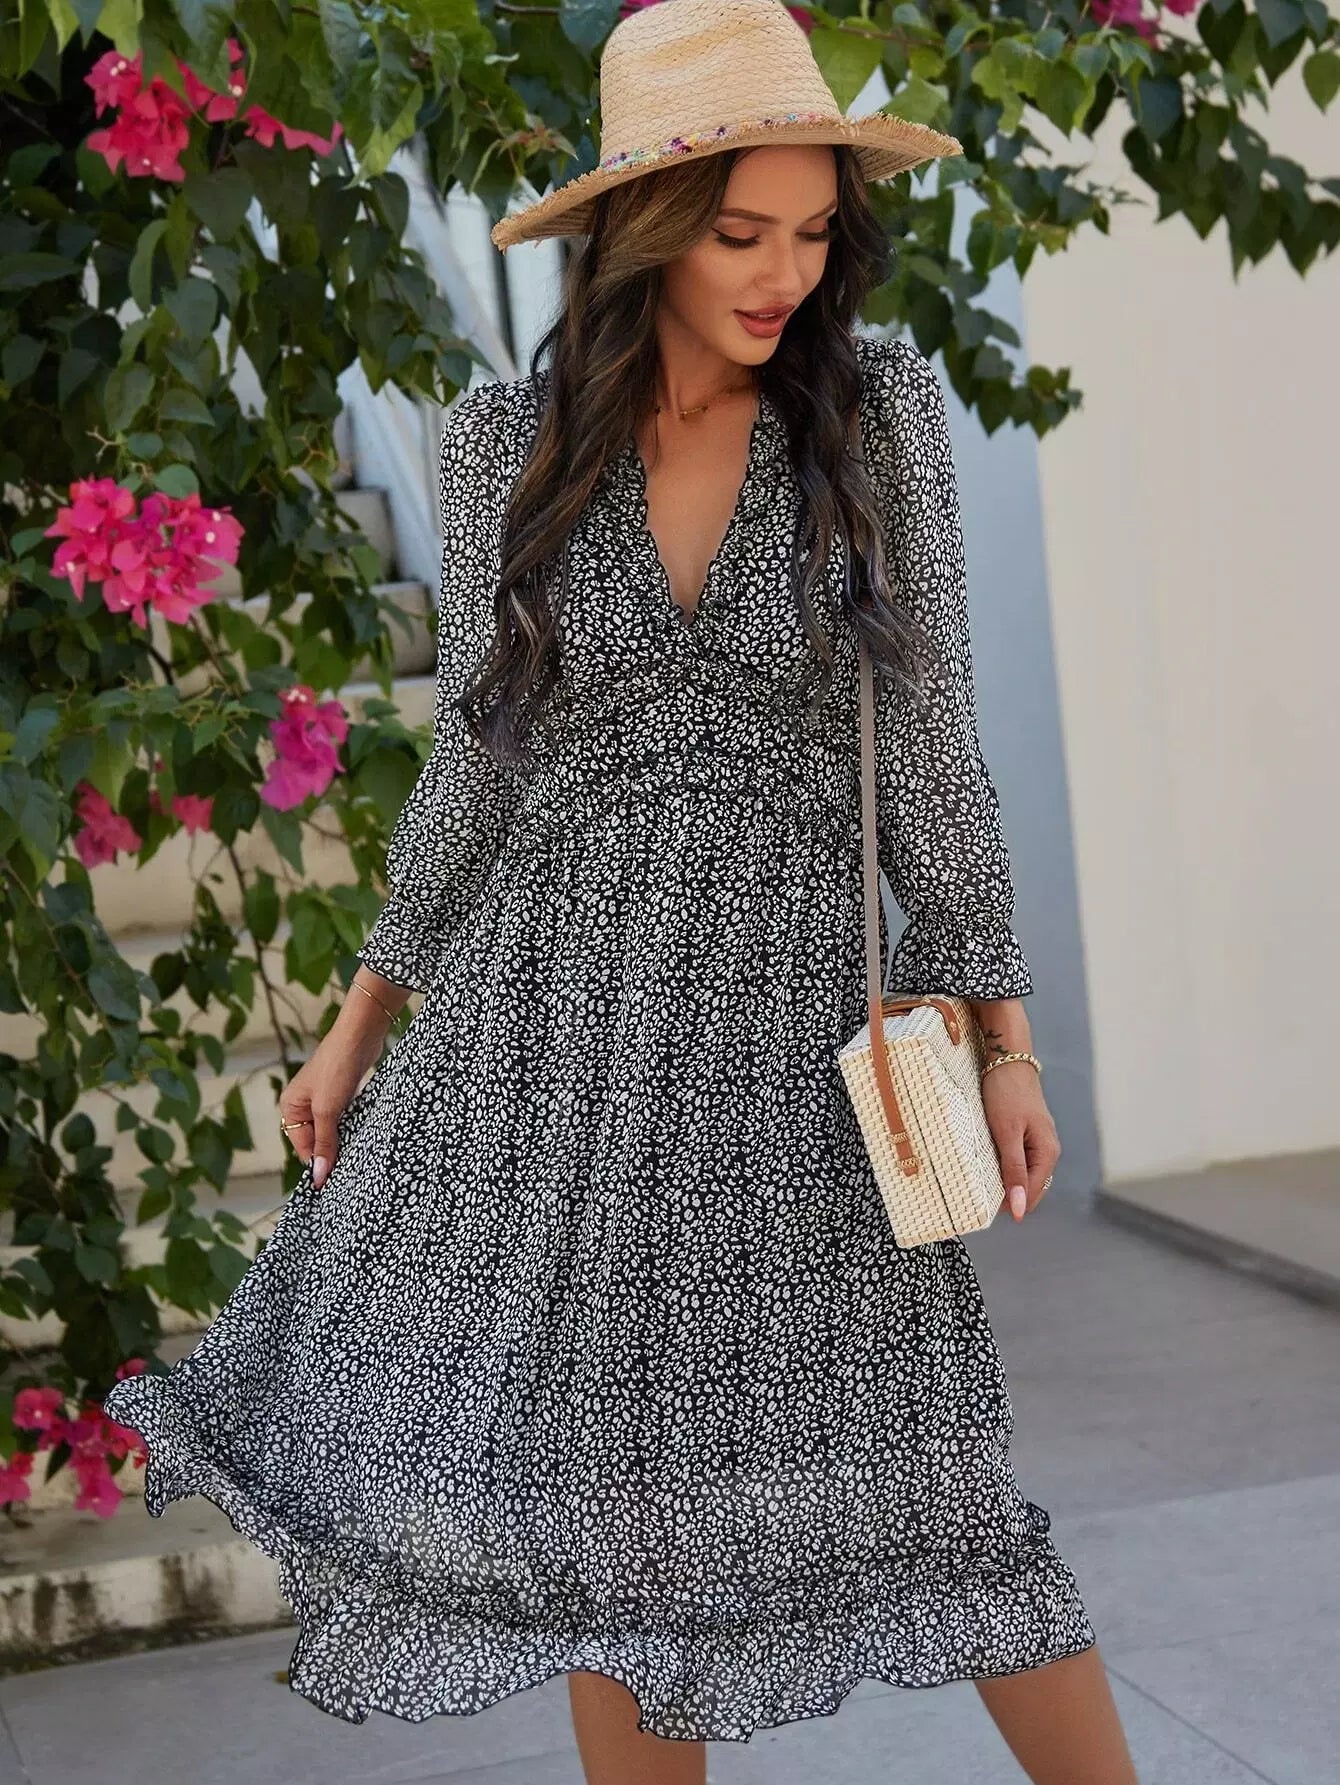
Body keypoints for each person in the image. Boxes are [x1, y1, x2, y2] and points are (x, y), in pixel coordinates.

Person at [104, 2, 1141, 1780]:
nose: (784, 276)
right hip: (560, 1043)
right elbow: (479, 761)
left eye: (812, 232)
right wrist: (359, 1021)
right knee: (611, 1530)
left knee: (940, 1492)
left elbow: (935, 743)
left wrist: (1007, 1036)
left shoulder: (874, 415)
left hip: (792, 1043)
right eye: (741, 233)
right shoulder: (506, 441)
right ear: (646, 227)